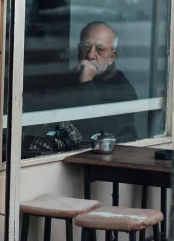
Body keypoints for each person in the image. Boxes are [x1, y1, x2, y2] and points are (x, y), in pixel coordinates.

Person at [23, 20, 138, 148]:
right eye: (85, 47)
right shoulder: (68, 78)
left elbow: (99, 132)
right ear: (78, 50)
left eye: (100, 50)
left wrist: (86, 83)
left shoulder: (123, 90)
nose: (90, 55)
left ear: (111, 57)